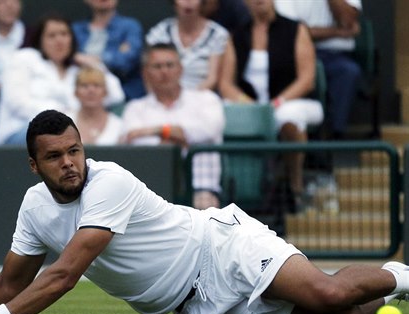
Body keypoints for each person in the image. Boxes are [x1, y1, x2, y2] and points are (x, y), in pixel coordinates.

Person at [0, 109, 409, 314]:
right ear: (34, 165)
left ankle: (404, 276)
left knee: (330, 295)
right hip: (198, 308)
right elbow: (9, 284)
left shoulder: (108, 181)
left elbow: (64, 274)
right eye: (54, 157)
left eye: (74, 150)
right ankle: (387, 286)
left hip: (221, 249)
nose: (70, 163)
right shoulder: (34, 207)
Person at [218, 0, 323, 209]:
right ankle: (237, 189)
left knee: (287, 116)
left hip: (293, 101)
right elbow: (225, 84)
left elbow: (307, 79)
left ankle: (295, 185)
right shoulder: (236, 35)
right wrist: (249, 105)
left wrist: (276, 103)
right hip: (251, 106)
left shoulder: (296, 29)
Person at [0, 13, 124, 145]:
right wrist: (61, 113)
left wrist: (93, 64)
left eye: (64, 34)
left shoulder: (75, 71)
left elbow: (116, 95)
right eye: (52, 35)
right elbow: (17, 103)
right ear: (40, 40)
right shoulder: (24, 58)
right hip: (18, 134)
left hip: (65, 136)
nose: (59, 40)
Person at [122, 43, 224, 210]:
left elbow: (208, 130)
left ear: (181, 69)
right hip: (150, 190)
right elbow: (133, 142)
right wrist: (176, 137)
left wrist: (158, 131)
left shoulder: (206, 99)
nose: (164, 71)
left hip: (200, 188)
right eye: (157, 66)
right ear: (145, 73)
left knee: (206, 212)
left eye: (170, 65)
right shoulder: (134, 108)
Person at [274, 0, 362, 139]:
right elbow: (292, 30)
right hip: (296, 53)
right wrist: (337, 32)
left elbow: (347, 21)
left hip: (335, 55)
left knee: (348, 71)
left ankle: (333, 138)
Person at [145, 0, 229, 91]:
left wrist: (188, 99)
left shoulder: (217, 34)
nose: (188, 2)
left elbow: (212, 79)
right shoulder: (159, 33)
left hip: (202, 98)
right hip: (164, 97)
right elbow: (149, 74)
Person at [72, 0, 145, 100]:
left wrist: (91, 59)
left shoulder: (130, 27)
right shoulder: (76, 30)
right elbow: (66, 59)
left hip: (123, 97)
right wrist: (116, 54)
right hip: (79, 96)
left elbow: (125, 62)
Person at [67, 67, 123, 145]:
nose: (91, 91)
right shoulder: (66, 122)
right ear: (76, 92)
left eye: (97, 85)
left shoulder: (119, 125)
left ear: (105, 92)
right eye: (84, 85)